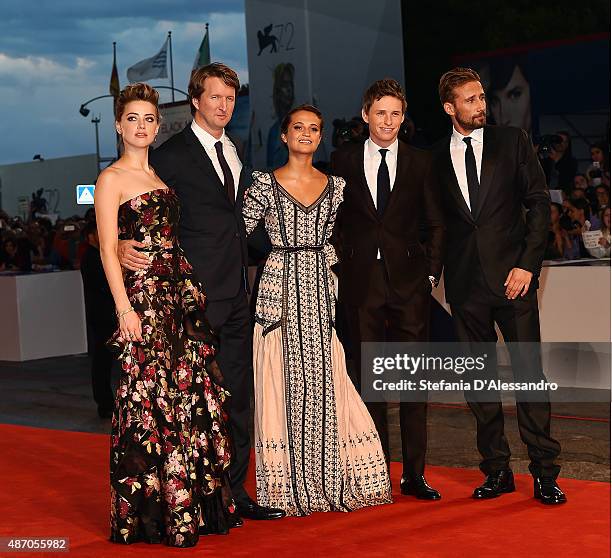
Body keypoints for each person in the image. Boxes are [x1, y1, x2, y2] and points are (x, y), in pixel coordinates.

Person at [117, 63, 284, 523]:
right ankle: (200, 498)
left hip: (237, 295)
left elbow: (241, 226)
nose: (223, 106)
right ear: (195, 100)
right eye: (215, 97)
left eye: (230, 98)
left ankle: (235, 492)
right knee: (194, 403)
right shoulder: (168, 156)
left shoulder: (235, 150)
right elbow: (137, 204)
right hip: (189, 299)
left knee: (238, 399)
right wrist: (116, 240)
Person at [95, 83, 234, 546]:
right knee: (148, 403)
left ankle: (187, 505)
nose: (141, 126)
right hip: (144, 302)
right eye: (132, 118)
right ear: (118, 124)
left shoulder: (157, 176)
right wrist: (123, 310)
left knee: (183, 400)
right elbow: (107, 254)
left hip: (178, 300)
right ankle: (155, 513)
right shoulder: (111, 178)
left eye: (149, 119)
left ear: (157, 126)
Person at [241, 104, 392, 516]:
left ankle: (331, 479)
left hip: (322, 290)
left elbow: (360, 234)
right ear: (284, 136)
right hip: (279, 293)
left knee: (327, 380)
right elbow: (235, 234)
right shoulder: (262, 185)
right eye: (298, 128)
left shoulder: (337, 187)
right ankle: (286, 487)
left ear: (320, 136)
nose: (306, 134)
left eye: (313, 128)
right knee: (280, 383)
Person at [435, 67, 565, 505]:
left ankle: (546, 472)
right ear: (449, 108)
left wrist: (528, 266)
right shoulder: (432, 158)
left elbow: (537, 203)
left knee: (530, 378)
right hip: (466, 286)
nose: (480, 106)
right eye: (469, 100)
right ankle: (497, 470)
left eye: (481, 98)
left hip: (515, 282)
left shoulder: (512, 141)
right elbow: (431, 225)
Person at [331, 79, 446, 500]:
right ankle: (375, 472)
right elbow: (335, 222)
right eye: (381, 113)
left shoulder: (420, 161)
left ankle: (414, 475)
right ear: (366, 115)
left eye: (396, 113)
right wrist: (342, 267)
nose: (388, 121)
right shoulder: (340, 160)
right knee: (368, 383)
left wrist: (430, 275)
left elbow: (436, 223)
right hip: (361, 285)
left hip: (410, 284)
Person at [79, 220, 115, 418]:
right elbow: (101, 285)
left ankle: (107, 401)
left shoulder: (98, 255)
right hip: (102, 316)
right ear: (91, 237)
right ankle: (104, 402)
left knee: (105, 362)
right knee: (102, 362)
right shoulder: (91, 257)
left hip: (106, 314)